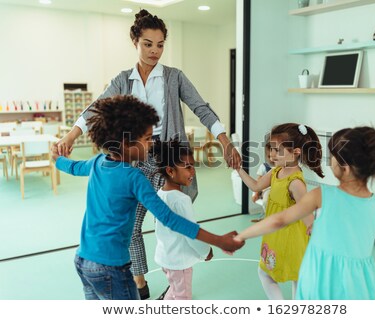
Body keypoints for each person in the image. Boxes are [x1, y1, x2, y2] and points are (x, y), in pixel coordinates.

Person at [54, 9, 241, 299]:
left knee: (173, 215)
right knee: (133, 225)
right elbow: (96, 108)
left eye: (160, 44)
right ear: (135, 42)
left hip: (167, 157)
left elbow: (201, 107)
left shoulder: (174, 77)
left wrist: (225, 141)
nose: (155, 50)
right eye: (147, 44)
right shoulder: (122, 80)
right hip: (135, 157)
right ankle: (140, 283)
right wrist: (70, 135)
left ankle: (174, 272)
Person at [51, 95, 243, 300]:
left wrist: (56, 158)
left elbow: (71, 167)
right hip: (112, 268)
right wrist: (218, 240)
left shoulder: (97, 163)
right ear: (127, 143)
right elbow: (170, 218)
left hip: (84, 262)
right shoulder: (134, 177)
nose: (151, 144)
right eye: (147, 139)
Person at [235, 126, 375, 300]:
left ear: (345, 168)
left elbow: (280, 220)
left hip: (324, 275)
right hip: (361, 281)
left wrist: (240, 236)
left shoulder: (321, 194)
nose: (329, 160)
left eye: (332, 156)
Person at [236, 123, 324, 299]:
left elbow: (306, 213)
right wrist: (238, 169)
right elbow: (255, 185)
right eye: (271, 149)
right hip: (275, 235)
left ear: (296, 152)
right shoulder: (276, 172)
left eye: (278, 150)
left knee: (292, 276)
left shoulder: (295, 182)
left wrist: (313, 231)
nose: (272, 154)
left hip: (291, 238)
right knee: (281, 274)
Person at [153, 140, 213, 300]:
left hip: (165, 257)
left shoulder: (160, 194)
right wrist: (206, 251)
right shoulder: (181, 200)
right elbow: (192, 233)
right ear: (170, 171)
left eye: (192, 166)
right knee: (183, 298)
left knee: (174, 289)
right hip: (179, 262)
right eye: (187, 167)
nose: (193, 171)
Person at [251, 141, 274, 223]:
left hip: (279, 189)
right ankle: (268, 218)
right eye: (269, 156)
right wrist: (256, 193)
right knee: (266, 201)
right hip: (268, 189)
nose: (271, 159)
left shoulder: (283, 166)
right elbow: (259, 181)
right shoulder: (264, 166)